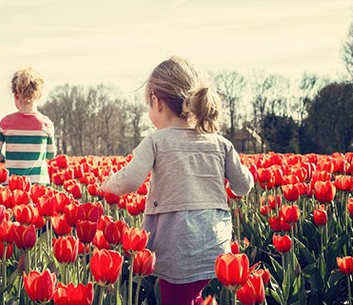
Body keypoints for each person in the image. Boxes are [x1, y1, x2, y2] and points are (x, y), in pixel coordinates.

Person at [101, 56, 254, 305]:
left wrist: (106, 185)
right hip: (214, 243)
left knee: (176, 299)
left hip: (176, 245)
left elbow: (129, 182)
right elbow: (243, 185)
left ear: (156, 101)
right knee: (194, 296)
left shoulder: (156, 141)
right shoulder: (220, 143)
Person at [0, 67, 56, 185]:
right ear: (39, 95)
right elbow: (51, 154)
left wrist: (5, 160)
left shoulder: (6, 123)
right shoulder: (46, 124)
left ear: (15, 95)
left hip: (13, 184)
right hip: (38, 183)